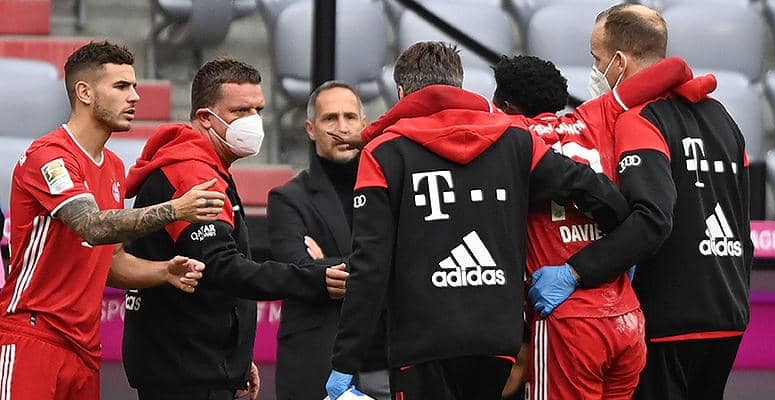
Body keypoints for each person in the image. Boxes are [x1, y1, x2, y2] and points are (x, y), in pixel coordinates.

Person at [324, 41, 634, 400]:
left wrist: (345, 360)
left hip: (421, 345)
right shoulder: (516, 142)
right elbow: (599, 193)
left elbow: (370, 265)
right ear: (459, 85)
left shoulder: (383, 153)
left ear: (402, 93)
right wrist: (605, 261)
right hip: (496, 342)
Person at [529, 4, 753, 400]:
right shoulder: (723, 117)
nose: (596, 70)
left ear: (619, 61)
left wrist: (575, 271)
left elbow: (652, 219)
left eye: (597, 59)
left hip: (668, 318)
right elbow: (742, 223)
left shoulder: (639, 119)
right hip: (728, 312)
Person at [121, 58, 350, 400]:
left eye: (258, 109)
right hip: (185, 373)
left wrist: (235, 359)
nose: (253, 121)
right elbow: (222, 268)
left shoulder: (207, 166)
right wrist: (315, 278)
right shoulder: (190, 174)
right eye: (241, 111)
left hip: (197, 364)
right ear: (204, 117)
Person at [0, 41, 217, 400]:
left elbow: (111, 261)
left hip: (85, 349)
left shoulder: (114, 167)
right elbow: (92, 225)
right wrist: (175, 210)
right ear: (84, 92)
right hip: (34, 335)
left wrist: (163, 272)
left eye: (135, 86)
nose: (134, 96)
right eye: (121, 86)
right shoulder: (49, 155)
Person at [494, 54, 693, 400]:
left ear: (507, 105)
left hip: (567, 320)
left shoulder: (512, 134)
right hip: (625, 318)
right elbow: (674, 68)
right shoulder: (596, 116)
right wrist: (696, 84)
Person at [267, 81, 390, 400]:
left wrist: (326, 265)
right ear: (310, 128)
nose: (342, 127)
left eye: (350, 117)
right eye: (330, 118)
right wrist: (379, 269)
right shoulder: (287, 198)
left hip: (388, 361)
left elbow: (411, 261)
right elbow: (295, 268)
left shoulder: (392, 188)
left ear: (365, 124)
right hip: (319, 364)